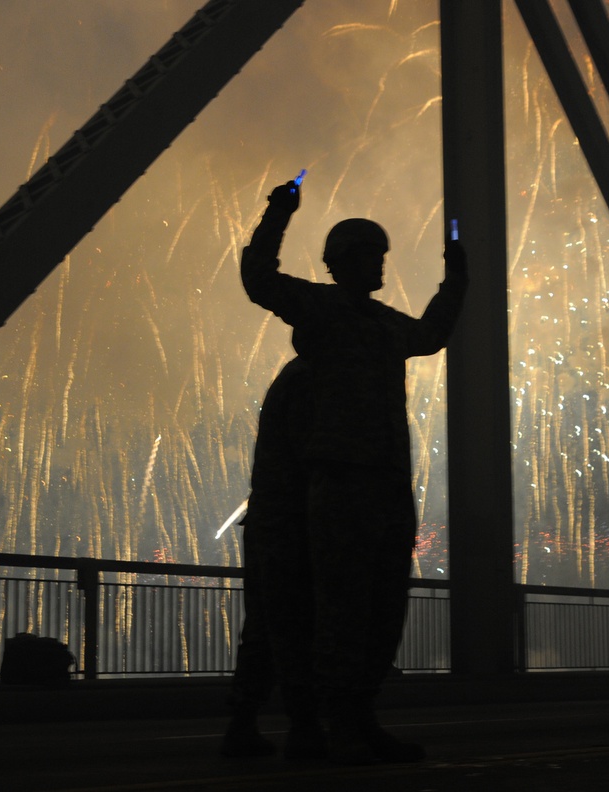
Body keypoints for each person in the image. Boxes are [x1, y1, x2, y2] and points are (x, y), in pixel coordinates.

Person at [240, 177, 467, 764]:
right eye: (371, 255)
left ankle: (356, 715)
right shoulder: (320, 309)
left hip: (386, 484)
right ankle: (338, 721)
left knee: (381, 606)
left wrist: (455, 281)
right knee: (341, 607)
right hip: (340, 482)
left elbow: (431, 334)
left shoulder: (388, 324)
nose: (381, 265)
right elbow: (258, 279)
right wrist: (278, 213)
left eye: (382, 255)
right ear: (344, 262)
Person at [221, 357, 322, 760]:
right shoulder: (315, 379)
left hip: (272, 520)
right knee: (298, 624)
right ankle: (304, 726)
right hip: (294, 524)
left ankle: (246, 722)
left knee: (265, 628)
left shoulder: (294, 378)